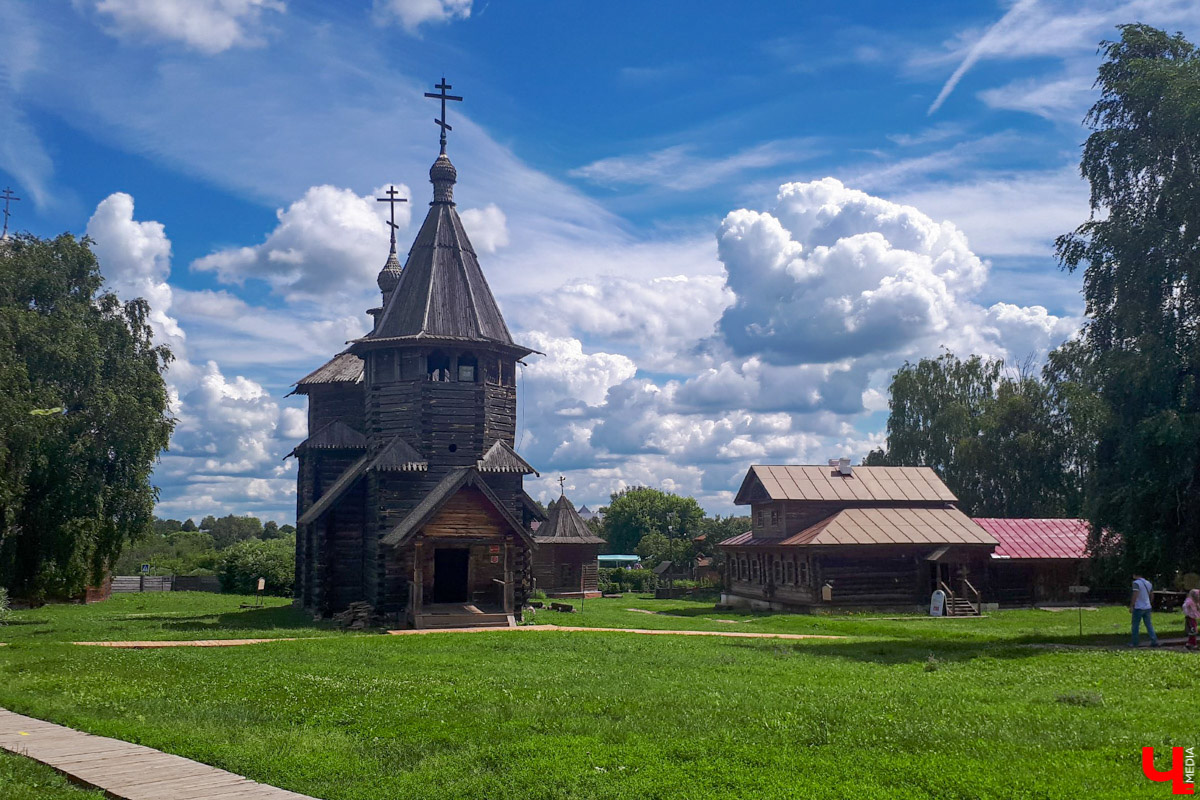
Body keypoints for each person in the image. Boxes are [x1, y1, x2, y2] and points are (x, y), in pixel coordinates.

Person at [1130, 572, 1159, 647]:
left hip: (1138, 607)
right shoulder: (1148, 583)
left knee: (1135, 625)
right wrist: (1149, 602)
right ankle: (1154, 640)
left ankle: (1135, 642)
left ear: (1135, 575)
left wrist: (1131, 605)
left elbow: (1135, 594)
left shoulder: (1136, 583)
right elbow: (1152, 594)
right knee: (1149, 625)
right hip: (1147, 607)